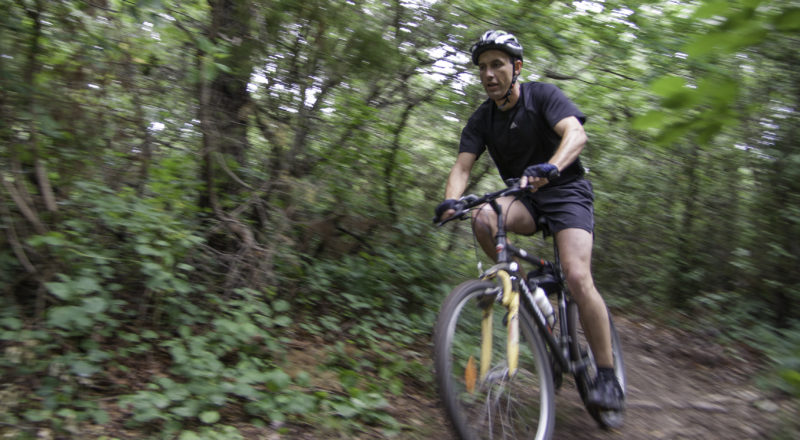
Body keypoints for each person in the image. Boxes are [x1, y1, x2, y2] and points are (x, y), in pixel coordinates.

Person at [434, 30, 624, 411]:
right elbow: (462, 166)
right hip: (525, 197)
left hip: (567, 191)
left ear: (516, 67)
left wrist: (552, 166)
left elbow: (576, 134)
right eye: (483, 67)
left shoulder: (542, 96)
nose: (489, 74)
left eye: (497, 65)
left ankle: (607, 376)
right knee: (483, 216)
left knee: (577, 276)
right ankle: (531, 296)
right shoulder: (482, 119)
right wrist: (451, 201)